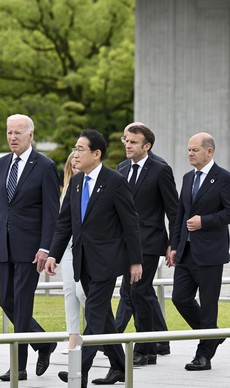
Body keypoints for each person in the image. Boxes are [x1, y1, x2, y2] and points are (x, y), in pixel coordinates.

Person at [45, 129, 143, 387]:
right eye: (75, 148)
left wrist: (135, 260)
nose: (75, 154)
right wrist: (53, 255)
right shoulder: (76, 182)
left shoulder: (115, 181)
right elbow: (64, 223)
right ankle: (121, 367)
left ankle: (80, 369)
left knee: (96, 313)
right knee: (104, 318)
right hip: (83, 261)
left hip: (108, 261)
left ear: (96, 154)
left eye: (80, 149)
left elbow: (130, 223)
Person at [0, 114, 59, 381]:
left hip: (31, 249)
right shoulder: (1, 165)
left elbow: (52, 213)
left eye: (18, 133)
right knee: (6, 301)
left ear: (31, 136)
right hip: (4, 246)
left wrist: (46, 247)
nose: (12, 137)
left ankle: (19, 366)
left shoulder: (45, 166)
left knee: (23, 306)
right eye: (9, 132)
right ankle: (44, 342)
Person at [116, 123, 178, 366]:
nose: (127, 145)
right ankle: (155, 344)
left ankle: (145, 349)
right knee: (134, 293)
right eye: (126, 140)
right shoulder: (121, 168)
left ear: (147, 146)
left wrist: (173, 244)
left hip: (150, 242)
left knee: (138, 292)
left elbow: (174, 210)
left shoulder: (161, 170)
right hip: (124, 243)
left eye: (132, 142)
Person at [168, 132, 230, 371]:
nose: (190, 154)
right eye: (189, 149)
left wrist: (205, 221)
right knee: (179, 298)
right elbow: (180, 215)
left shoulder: (223, 178)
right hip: (186, 251)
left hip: (210, 253)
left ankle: (203, 355)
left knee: (208, 305)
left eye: (195, 150)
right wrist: (174, 245)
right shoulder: (187, 177)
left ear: (209, 151)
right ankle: (211, 336)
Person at [60, 152, 86, 354]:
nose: (77, 168)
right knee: (70, 292)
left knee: (82, 292)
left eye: (79, 163)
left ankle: (97, 331)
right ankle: (73, 337)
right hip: (67, 248)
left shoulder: (92, 186)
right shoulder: (66, 190)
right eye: (73, 165)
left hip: (86, 248)